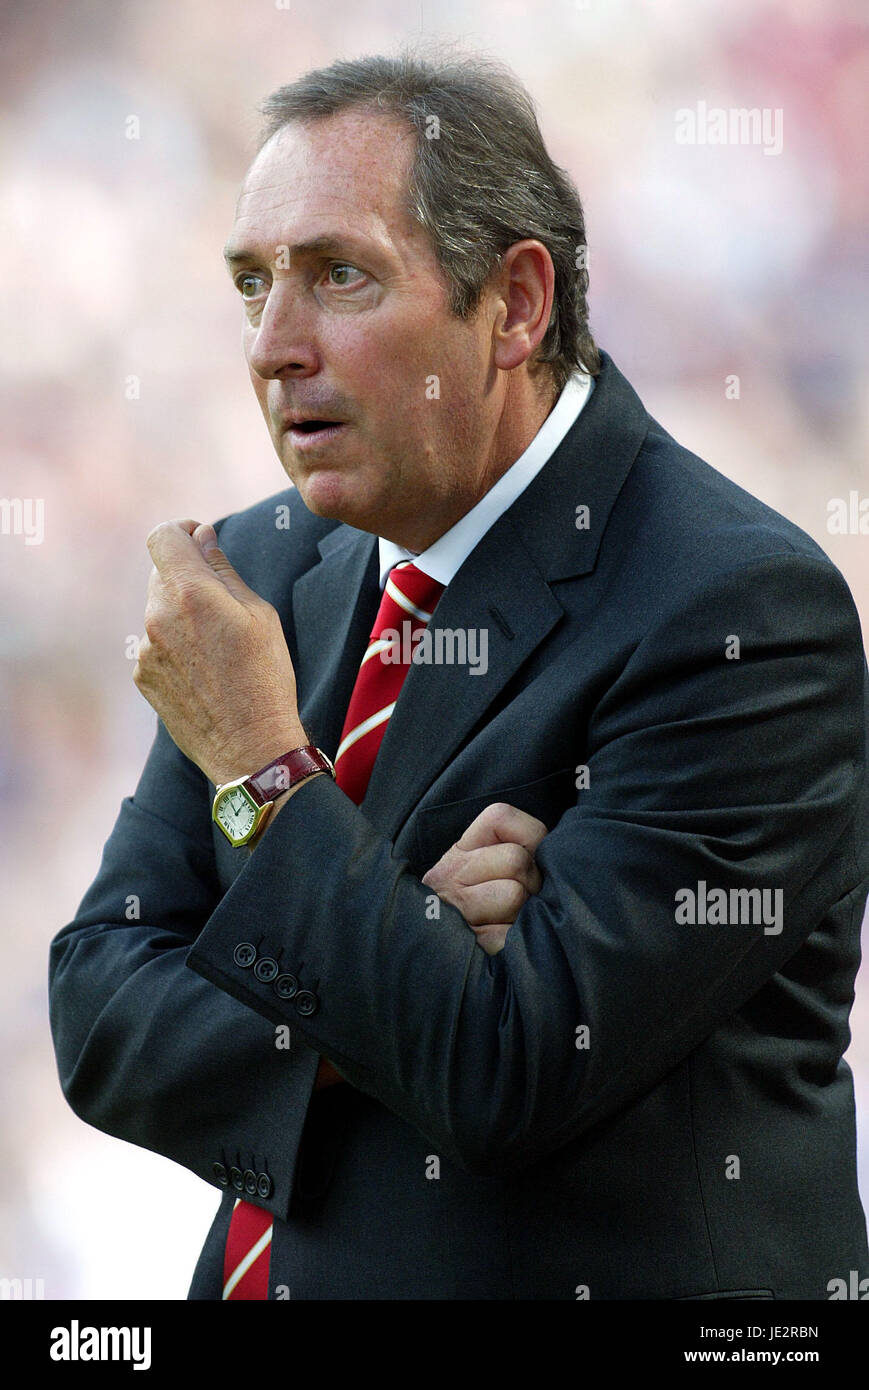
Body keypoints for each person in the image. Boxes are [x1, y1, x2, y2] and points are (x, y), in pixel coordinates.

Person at [49, 50, 869, 1301]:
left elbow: (502, 1069)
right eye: (251, 284)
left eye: (338, 275)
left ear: (517, 305)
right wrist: (389, 951)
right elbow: (99, 1013)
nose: (273, 345)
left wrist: (268, 779)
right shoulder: (262, 567)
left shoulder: (735, 609)